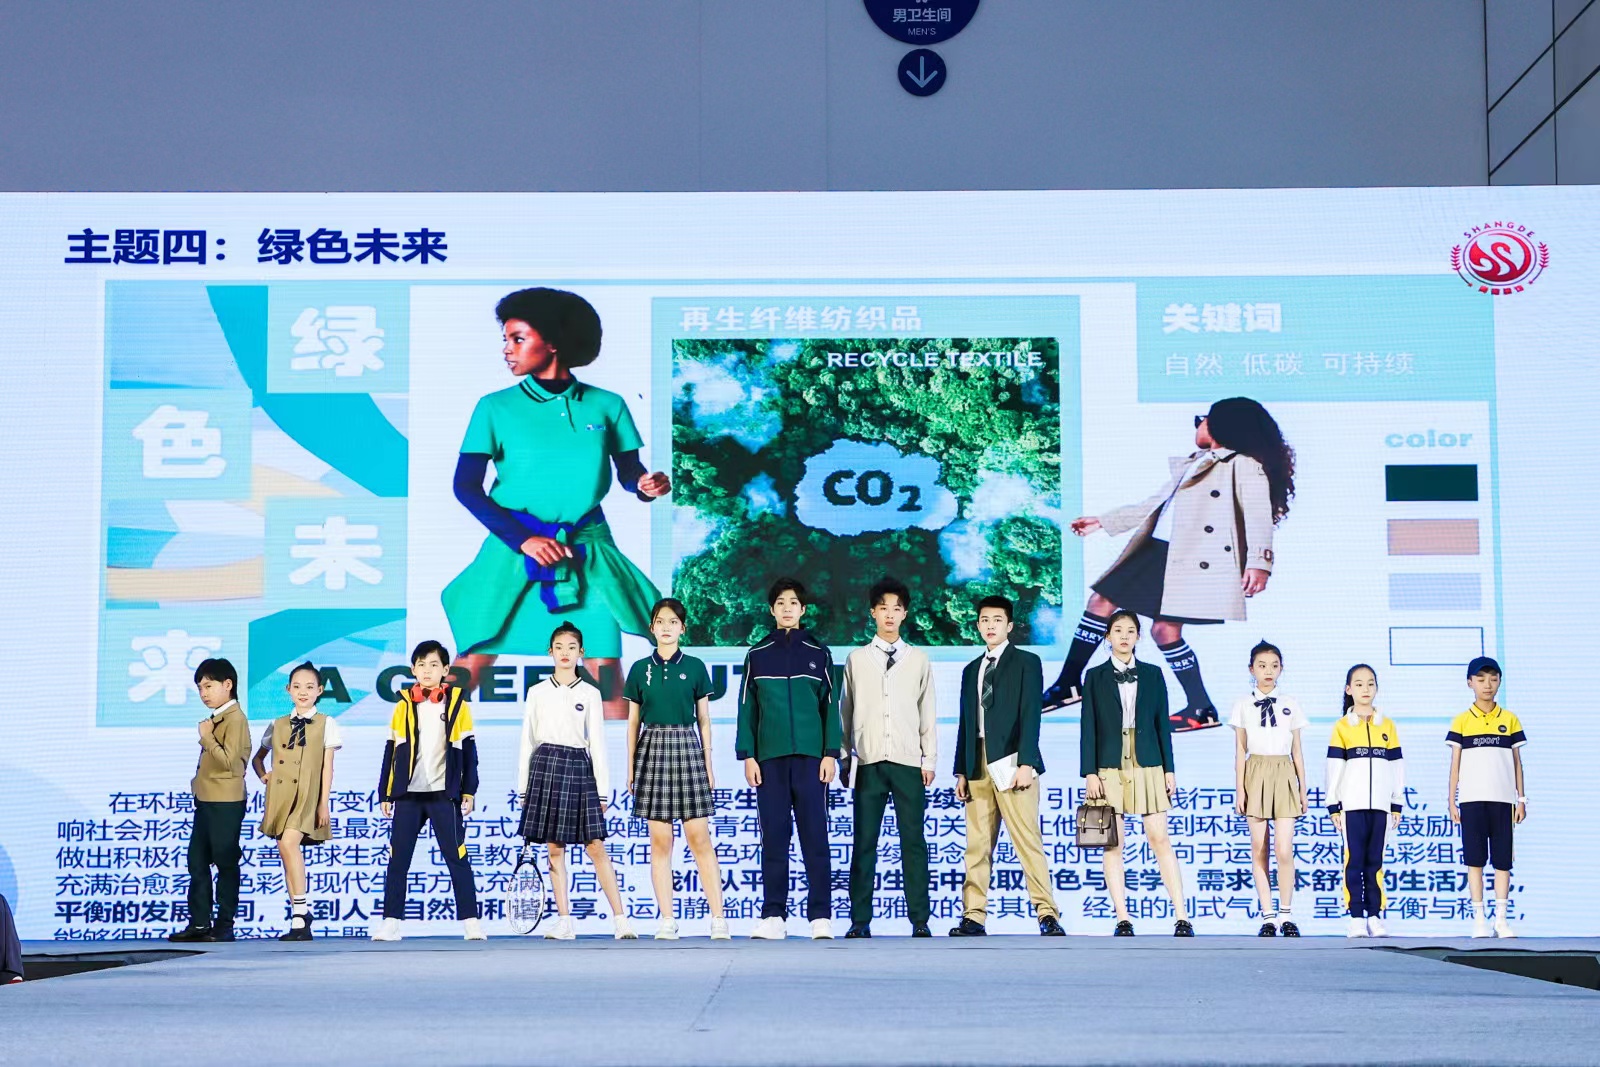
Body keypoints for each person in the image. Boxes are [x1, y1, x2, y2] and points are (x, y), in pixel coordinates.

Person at [444, 287, 669, 716]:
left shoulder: (608, 405)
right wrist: (525, 540)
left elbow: (629, 472)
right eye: (506, 339)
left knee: (605, 668)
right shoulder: (494, 407)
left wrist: (646, 485)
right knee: (472, 657)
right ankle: (422, 747)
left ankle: (620, 762)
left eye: (518, 338)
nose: (507, 350)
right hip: (514, 551)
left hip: (586, 551)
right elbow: (466, 486)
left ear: (553, 342)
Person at [1044, 397, 1296, 731]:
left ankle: (1196, 707)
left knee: (1147, 622)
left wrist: (1259, 563)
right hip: (1159, 551)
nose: (1198, 424)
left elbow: (1258, 515)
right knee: (1128, 614)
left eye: (1202, 419)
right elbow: (1154, 505)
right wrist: (1104, 522)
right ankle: (1073, 683)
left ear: (1222, 426)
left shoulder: (1244, 465)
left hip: (1191, 559)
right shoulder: (1197, 461)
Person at [950, 596, 1064, 937]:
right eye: (984, 620)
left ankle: (1047, 913)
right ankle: (973, 916)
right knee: (977, 845)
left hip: (1013, 761)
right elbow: (966, 722)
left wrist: (1026, 762)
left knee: (1027, 840)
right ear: (978, 625)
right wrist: (961, 770)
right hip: (977, 762)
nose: (990, 626)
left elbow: (1031, 714)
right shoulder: (971, 669)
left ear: (1009, 625)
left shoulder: (1027, 662)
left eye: (997, 620)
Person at [517, 622, 636, 940]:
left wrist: (602, 792)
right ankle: (564, 921)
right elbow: (527, 742)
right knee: (554, 849)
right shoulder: (536, 692)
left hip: (578, 767)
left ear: (581, 652)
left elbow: (598, 744)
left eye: (571, 647)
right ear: (550, 652)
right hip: (545, 766)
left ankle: (621, 920)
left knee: (596, 847)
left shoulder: (590, 693)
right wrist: (524, 788)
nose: (565, 653)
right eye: (559, 647)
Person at [737, 577, 841, 940]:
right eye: (780, 603)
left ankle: (820, 917)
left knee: (816, 838)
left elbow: (830, 708)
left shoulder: (819, 653)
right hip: (769, 760)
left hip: (812, 759)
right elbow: (747, 709)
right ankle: (773, 916)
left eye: (793, 603)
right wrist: (748, 756)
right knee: (774, 838)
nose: (786, 608)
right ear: (772, 610)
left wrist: (830, 754)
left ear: (803, 609)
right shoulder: (757, 654)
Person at [1079, 609, 1191, 936]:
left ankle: (1181, 916)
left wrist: (1169, 769)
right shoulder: (1095, 677)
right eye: (1118, 630)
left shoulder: (1154, 674)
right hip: (1108, 764)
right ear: (1107, 636)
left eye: (1130, 630)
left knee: (1160, 838)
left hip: (1148, 761)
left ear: (1139, 636)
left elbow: (1162, 726)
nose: (1124, 636)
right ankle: (1122, 918)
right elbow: (1088, 727)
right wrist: (1089, 772)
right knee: (1113, 842)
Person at [624, 598, 730, 940]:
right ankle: (667, 920)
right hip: (652, 749)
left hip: (687, 747)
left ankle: (718, 919)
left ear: (683, 628)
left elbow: (704, 719)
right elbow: (633, 723)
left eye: (673, 622)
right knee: (660, 840)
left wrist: (708, 763)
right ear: (651, 627)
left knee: (699, 837)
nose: (666, 627)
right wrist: (631, 767)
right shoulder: (640, 669)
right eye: (660, 621)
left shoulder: (696, 667)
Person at [839, 577, 936, 939]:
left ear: (905, 614)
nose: (890, 615)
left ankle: (920, 919)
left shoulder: (919, 659)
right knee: (864, 842)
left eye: (897, 608)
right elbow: (845, 712)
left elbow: (927, 712)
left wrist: (929, 759)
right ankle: (859, 920)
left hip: (909, 763)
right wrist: (845, 757)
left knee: (913, 841)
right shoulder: (857, 659)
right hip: (868, 763)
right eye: (884, 608)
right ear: (873, 613)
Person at [373, 640, 484, 942]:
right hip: (408, 794)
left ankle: (471, 923)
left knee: (457, 857)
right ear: (413, 669)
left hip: (443, 794)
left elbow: (469, 752)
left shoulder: (458, 704)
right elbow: (390, 751)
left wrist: (469, 790)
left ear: (446, 670)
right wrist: (385, 793)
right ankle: (391, 922)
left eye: (434, 665)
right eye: (421, 665)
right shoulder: (402, 705)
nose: (427, 670)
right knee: (398, 859)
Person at [252, 662, 342, 941]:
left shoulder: (327, 723)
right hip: (280, 796)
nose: (303, 692)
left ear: (320, 690)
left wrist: (323, 803)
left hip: (307, 795)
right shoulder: (277, 724)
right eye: (297, 686)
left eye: (310, 687)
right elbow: (258, 758)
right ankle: (299, 918)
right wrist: (264, 776)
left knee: (289, 843)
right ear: (288, 689)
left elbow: (327, 768)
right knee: (285, 850)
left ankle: (301, 913)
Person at [1227, 640, 1308, 937]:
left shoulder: (1290, 704)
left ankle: (1287, 914)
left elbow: (1297, 751)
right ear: (1252, 669)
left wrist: (1302, 789)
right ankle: (1268, 916)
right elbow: (1240, 750)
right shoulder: (1242, 705)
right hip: (1256, 771)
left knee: (1284, 849)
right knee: (1259, 848)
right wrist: (1240, 789)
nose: (1268, 671)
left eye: (1274, 666)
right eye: (1262, 666)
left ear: (1281, 669)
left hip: (1284, 771)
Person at [169, 657, 252, 943]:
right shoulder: (217, 718)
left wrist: (207, 738)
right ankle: (200, 923)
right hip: (206, 799)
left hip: (225, 802)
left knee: (225, 863)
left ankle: (224, 924)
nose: (203, 693)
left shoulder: (235, 719)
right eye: (200, 688)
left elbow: (232, 764)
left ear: (228, 685)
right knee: (197, 862)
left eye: (208, 686)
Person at [1446, 656, 1527, 939]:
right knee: (1475, 861)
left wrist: (1521, 799)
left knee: (1503, 861)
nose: (1487, 685)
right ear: (1470, 683)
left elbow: (1517, 762)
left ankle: (1501, 920)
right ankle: (1479, 919)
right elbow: (1455, 764)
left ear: (1500, 681)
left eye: (1493, 679)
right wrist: (1451, 801)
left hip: (1503, 802)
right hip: (1471, 801)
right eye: (1480, 679)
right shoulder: (1462, 721)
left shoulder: (1509, 719)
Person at [1326, 664, 1404, 938]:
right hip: (1352, 807)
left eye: (1370, 683)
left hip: (1381, 807)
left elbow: (1396, 766)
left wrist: (1396, 802)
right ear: (1349, 689)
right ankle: (1356, 917)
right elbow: (1334, 768)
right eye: (1358, 684)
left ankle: (1374, 915)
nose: (1365, 689)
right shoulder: (1342, 727)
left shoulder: (1387, 725)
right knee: (1354, 861)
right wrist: (1333, 805)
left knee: (1375, 862)